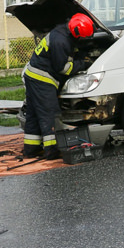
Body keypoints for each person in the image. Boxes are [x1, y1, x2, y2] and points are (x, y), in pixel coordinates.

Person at [22, 13, 93, 160]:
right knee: (50, 114)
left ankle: (31, 148)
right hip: (42, 78)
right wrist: (83, 64)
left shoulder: (61, 31)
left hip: (32, 75)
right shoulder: (61, 41)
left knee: (34, 114)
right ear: (77, 33)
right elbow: (63, 68)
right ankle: (52, 150)